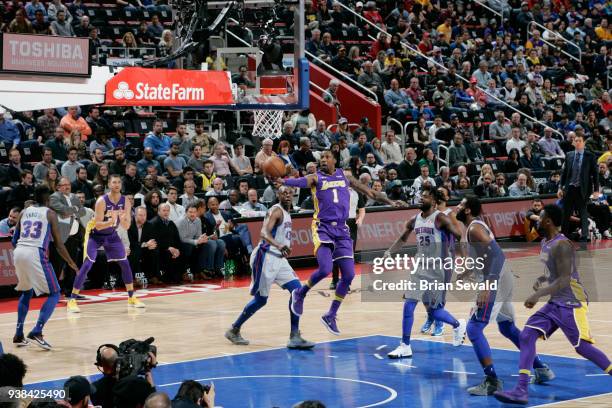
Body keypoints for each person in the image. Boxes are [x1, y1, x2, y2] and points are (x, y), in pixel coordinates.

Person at [495, 204, 612, 404]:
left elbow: (565, 279)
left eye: (540, 217)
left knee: (582, 347)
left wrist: (538, 294)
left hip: (572, 302)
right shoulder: (545, 243)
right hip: (555, 302)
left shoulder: (562, 245)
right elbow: (553, 272)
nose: (537, 220)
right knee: (527, 335)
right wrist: (542, 279)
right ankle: (521, 389)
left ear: (548, 221)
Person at [282, 150, 402, 334]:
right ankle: (300, 293)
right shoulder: (316, 178)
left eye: (326, 157)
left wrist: (391, 202)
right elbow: (301, 182)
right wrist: (285, 181)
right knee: (325, 269)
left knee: (348, 275)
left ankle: (330, 315)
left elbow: (370, 192)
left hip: (342, 229)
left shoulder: (345, 176)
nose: (323, 160)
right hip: (322, 227)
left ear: (334, 160)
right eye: (321, 158)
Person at [455, 196, 553, 395]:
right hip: (502, 277)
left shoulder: (474, 228)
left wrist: (487, 286)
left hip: (494, 280)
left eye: (461, 204)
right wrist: (468, 271)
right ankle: (541, 368)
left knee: (473, 329)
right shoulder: (474, 228)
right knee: (507, 327)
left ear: (467, 210)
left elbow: (497, 255)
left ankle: (491, 381)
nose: (457, 206)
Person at [226, 186, 315, 349]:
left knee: (298, 292)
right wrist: (279, 245)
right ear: (277, 195)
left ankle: (294, 336)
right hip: (265, 257)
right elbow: (264, 233)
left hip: (280, 260)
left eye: (290, 192)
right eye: (283, 192)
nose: (287, 194)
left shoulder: (288, 213)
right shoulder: (276, 211)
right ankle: (234, 329)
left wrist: (284, 246)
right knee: (261, 300)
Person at [385, 186, 466, 358]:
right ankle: (405, 345)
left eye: (426, 196)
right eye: (421, 196)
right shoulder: (414, 220)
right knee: (409, 304)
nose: (421, 199)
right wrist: (389, 253)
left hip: (440, 268)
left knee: (436, 311)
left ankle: (458, 324)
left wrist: (466, 259)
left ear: (435, 202)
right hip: (420, 266)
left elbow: (460, 236)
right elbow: (402, 238)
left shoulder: (441, 218)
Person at [11, 185, 78, 349]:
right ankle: (37, 331)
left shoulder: (24, 212)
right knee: (55, 293)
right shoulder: (50, 213)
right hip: (35, 253)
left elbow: (14, 239)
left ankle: (19, 334)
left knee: (27, 292)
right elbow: (59, 244)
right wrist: (71, 262)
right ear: (48, 199)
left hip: (19, 251)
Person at [67, 175, 145, 312]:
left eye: (119, 182)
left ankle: (131, 297)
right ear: (109, 184)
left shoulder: (125, 201)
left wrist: (122, 219)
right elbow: (97, 225)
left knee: (125, 263)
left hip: (111, 235)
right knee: (87, 264)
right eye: (114, 182)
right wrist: (112, 220)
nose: (117, 185)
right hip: (95, 235)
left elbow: (126, 226)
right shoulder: (101, 201)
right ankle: (72, 299)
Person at [559, 134, 599, 241]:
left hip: (583, 189)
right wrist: (560, 187)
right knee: (566, 213)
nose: (577, 142)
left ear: (584, 143)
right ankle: (563, 236)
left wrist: (596, 190)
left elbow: (595, 174)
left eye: (579, 140)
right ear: (573, 143)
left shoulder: (590, 156)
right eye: (575, 141)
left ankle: (584, 238)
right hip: (570, 188)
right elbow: (565, 173)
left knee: (583, 213)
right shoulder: (569, 155)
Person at [49, 177, 84, 296]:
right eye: (64, 185)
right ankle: (52, 292)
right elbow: (62, 210)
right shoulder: (54, 197)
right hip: (60, 238)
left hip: (73, 237)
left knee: (72, 265)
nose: (67, 187)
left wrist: (70, 211)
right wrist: (74, 209)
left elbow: (83, 211)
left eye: (68, 184)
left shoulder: (74, 197)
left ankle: (70, 291)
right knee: (57, 266)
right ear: (58, 187)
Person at [177, 203, 225, 280]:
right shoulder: (181, 221)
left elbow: (198, 235)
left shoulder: (198, 220)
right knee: (190, 247)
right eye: (190, 212)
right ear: (186, 212)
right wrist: (196, 241)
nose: (192, 214)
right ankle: (185, 272)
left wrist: (202, 238)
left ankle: (202, 271)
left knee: (204, 245)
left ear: (197, 213)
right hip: (180, 243)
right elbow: (182, 238)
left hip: (192, 241)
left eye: (194, 212)